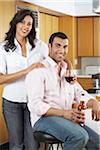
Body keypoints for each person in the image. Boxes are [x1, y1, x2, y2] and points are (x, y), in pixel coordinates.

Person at [25, 32, 100, 150]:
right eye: (58, 45)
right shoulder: (38, 71)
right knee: (79, 136)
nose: (62, 50)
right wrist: (65, 113)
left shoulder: (68, 71)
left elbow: (80, 93)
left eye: (65, 46)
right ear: (49, 46)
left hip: (65, 118)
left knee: (97, 143)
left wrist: (94, 103)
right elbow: (35, 105)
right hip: (43, 120)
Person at [0, 9, 48, 150]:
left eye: (29, 24)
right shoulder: (3, 48)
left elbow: (57, 58)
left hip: (33, 103)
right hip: (11, 103)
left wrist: (68, 70)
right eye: (22, 22)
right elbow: (1, 79)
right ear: (15, 23)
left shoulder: (39, 46)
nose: (26, 26)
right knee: (16, 145)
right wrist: (27, 70)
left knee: (33, 145)